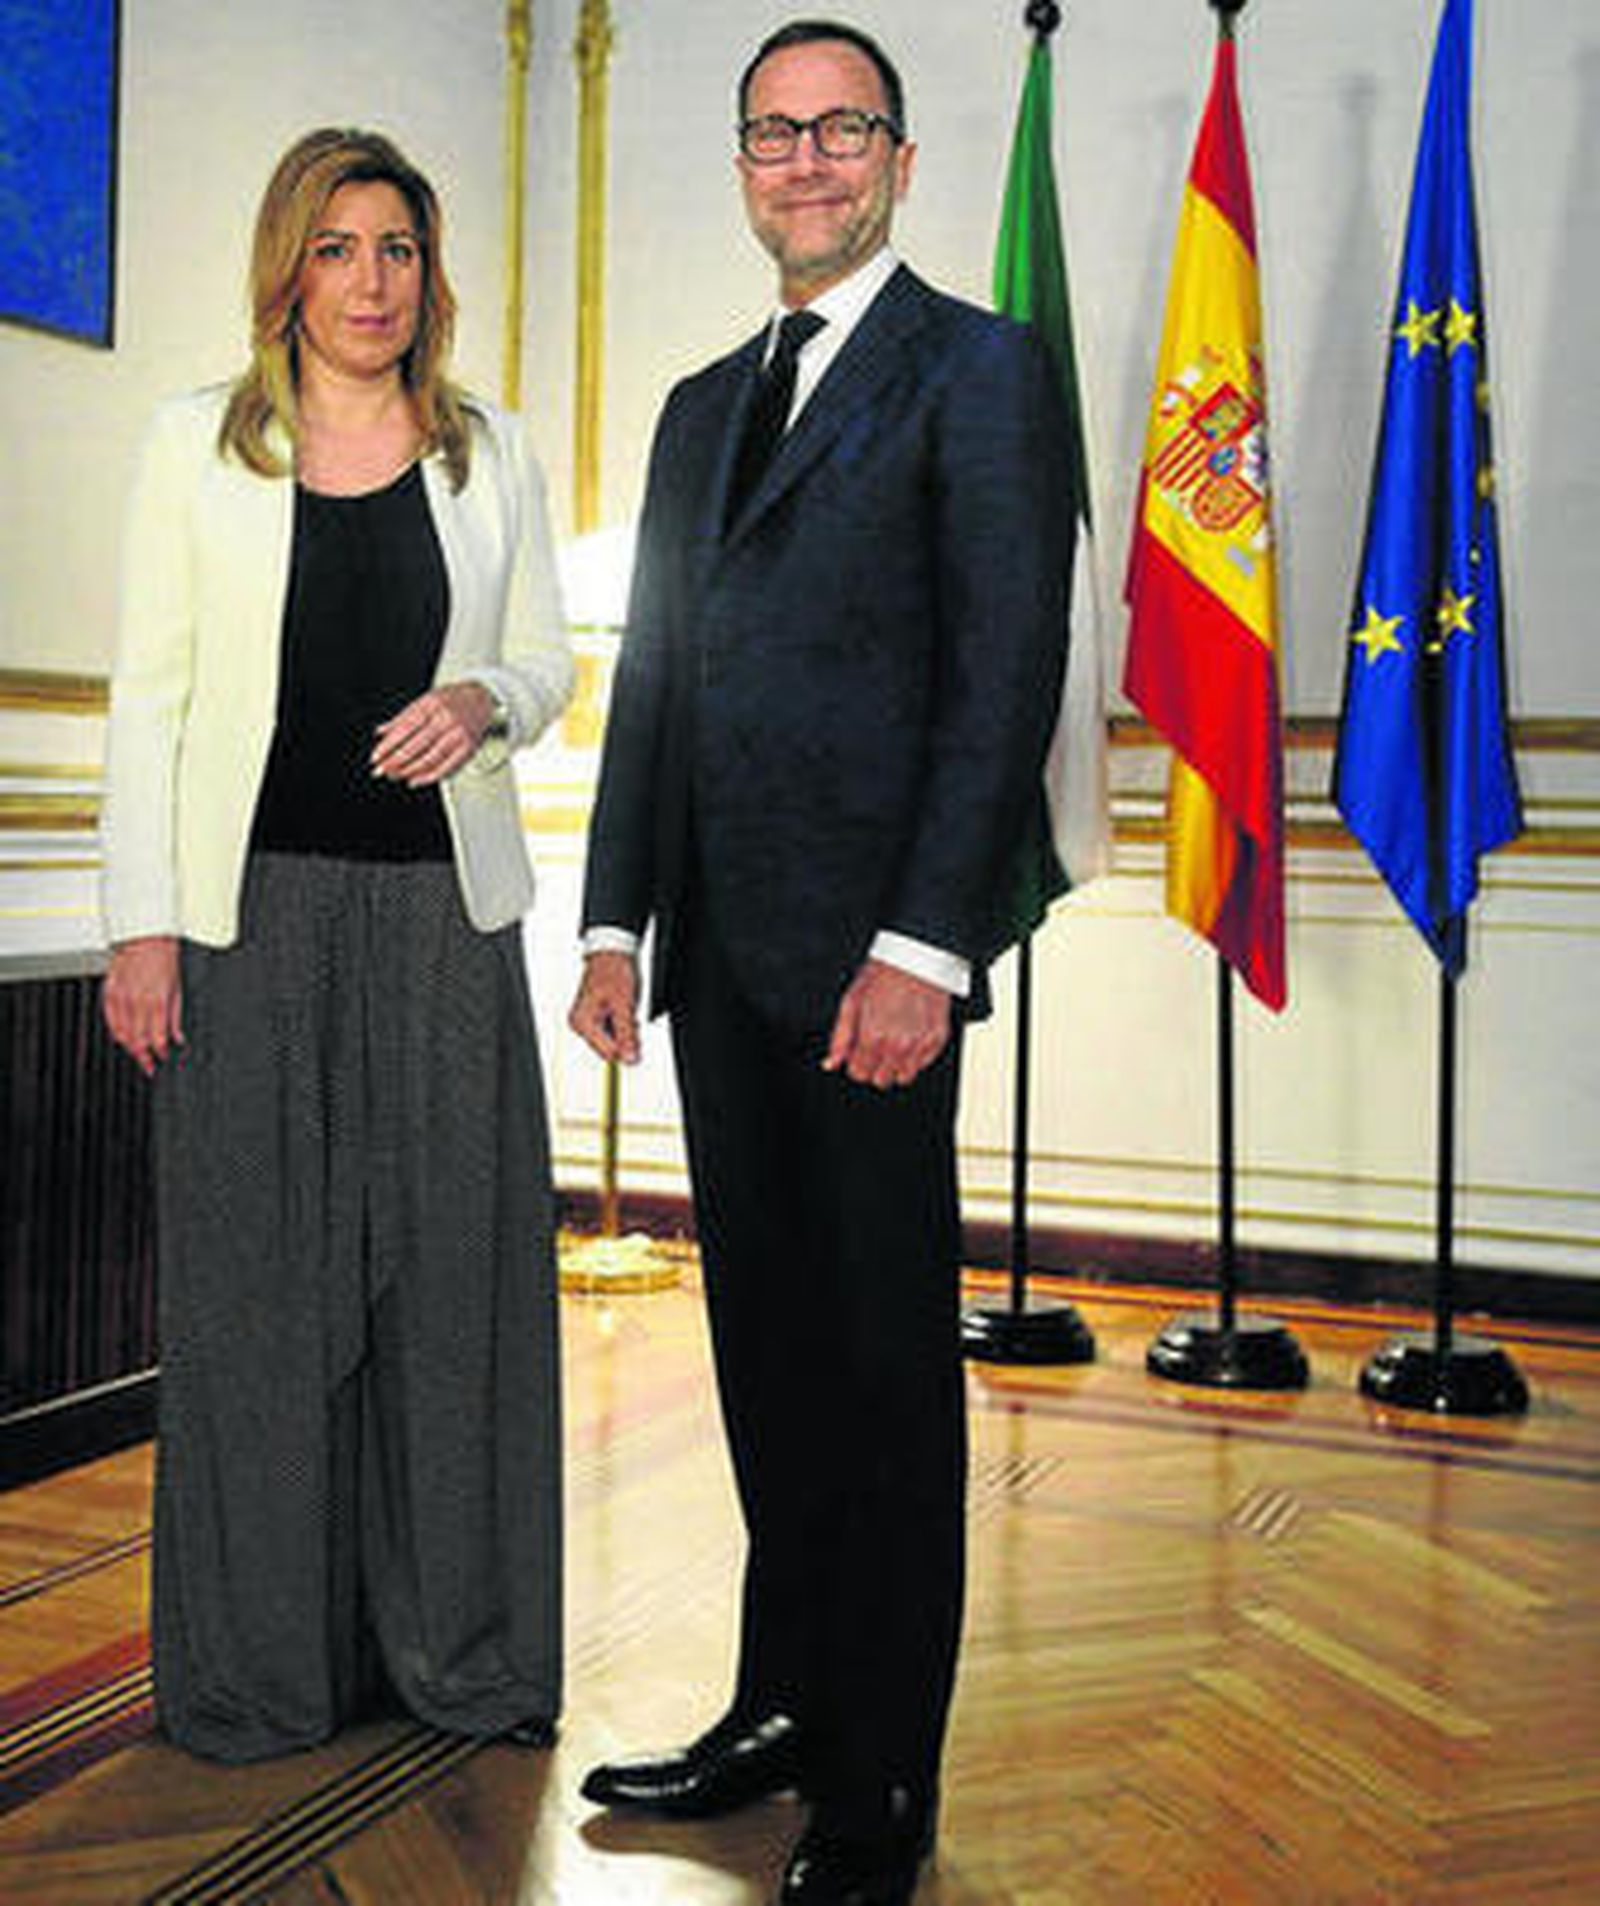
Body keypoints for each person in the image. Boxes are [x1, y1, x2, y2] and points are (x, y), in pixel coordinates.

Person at [568, 20, 1076, 1904]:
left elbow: (998, 680)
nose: (805, 161)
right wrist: (618, 915)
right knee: (770, 1365)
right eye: (772, 134)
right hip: (718, 968)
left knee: (881, 1379)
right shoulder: (704, 400)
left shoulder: (985, 373)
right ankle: (777, 1706)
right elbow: (658, 682)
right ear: (742, 163)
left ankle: (882, 1777)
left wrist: (924, 945)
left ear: (900, 157)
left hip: (877, 975)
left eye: (838, 128)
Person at [99, 127, 572, 1763]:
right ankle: (261, 1674)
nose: (373, 281)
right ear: (287, 266)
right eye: (339, 247)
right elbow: (150, 700)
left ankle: (466, 1658)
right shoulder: (194, 447)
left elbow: (544, 661)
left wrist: (481, 700)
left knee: (456, 1297)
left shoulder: (487, 450)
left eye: (399, 248)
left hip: (448, 921)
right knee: (260, 1303)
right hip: (247, 925)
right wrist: (139, 928)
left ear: (430, 275)